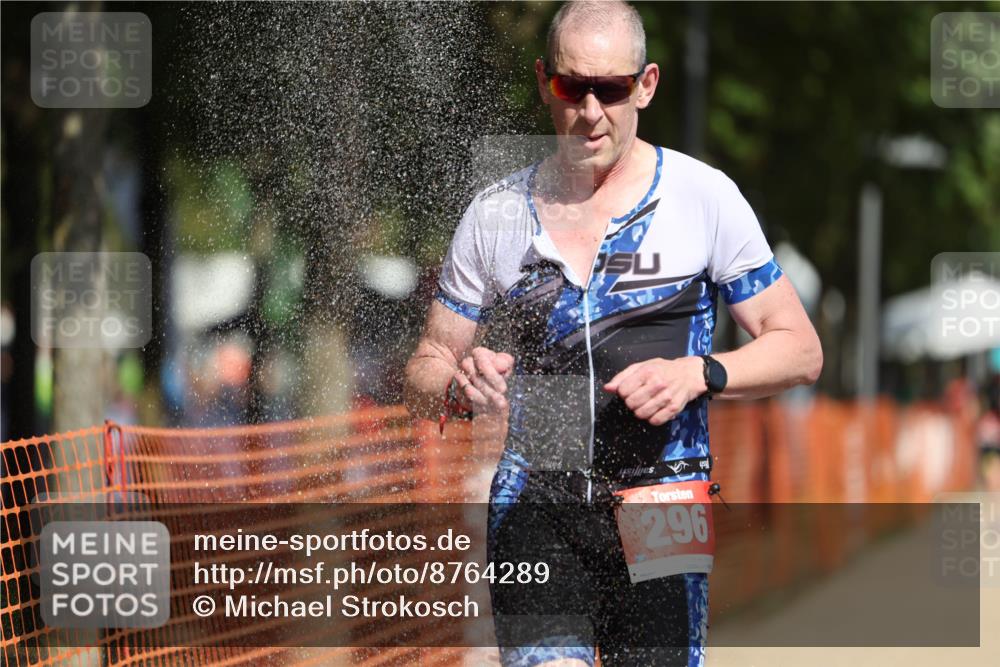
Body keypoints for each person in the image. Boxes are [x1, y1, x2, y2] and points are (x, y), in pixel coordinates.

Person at [403, 2, 823, 665]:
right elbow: (425, 366)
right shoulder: (496, 215)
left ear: (647, 85)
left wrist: (702, 371)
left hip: (662, 504)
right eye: (573, 86)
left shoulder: (702, 197)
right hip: (535, 500)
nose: (591, 110)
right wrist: (456, 384)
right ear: (546, 81)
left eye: (613, 88)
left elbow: (800, 348)